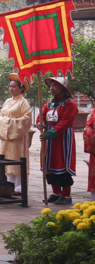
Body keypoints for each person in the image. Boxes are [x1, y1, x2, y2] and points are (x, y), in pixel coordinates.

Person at [37, 76, 78, 205]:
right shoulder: (49, 103)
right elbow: (41, 116)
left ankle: (66, 195)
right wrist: (40, 124)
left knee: (62, 165)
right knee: (49, 164)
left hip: (62, 138)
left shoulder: (70, 104)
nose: (51, 88)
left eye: (55, 85)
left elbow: (66, 122)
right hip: (48, 139)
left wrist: (49, 133)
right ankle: (56, 192)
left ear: (63, 87)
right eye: (50, 85)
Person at [0, 74, 32, 195]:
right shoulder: (7, 101)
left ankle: (19, 188)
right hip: (6, 139)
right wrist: (4, 123)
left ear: (21, 88)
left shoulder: (23, 102)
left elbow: (27, 119)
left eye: (14, 86)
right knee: (7, 162)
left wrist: (8, 123)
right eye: (10, 86)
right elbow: (1, 117)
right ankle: (8, 186)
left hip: (17, 138)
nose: (11, 89)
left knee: (18, 162)